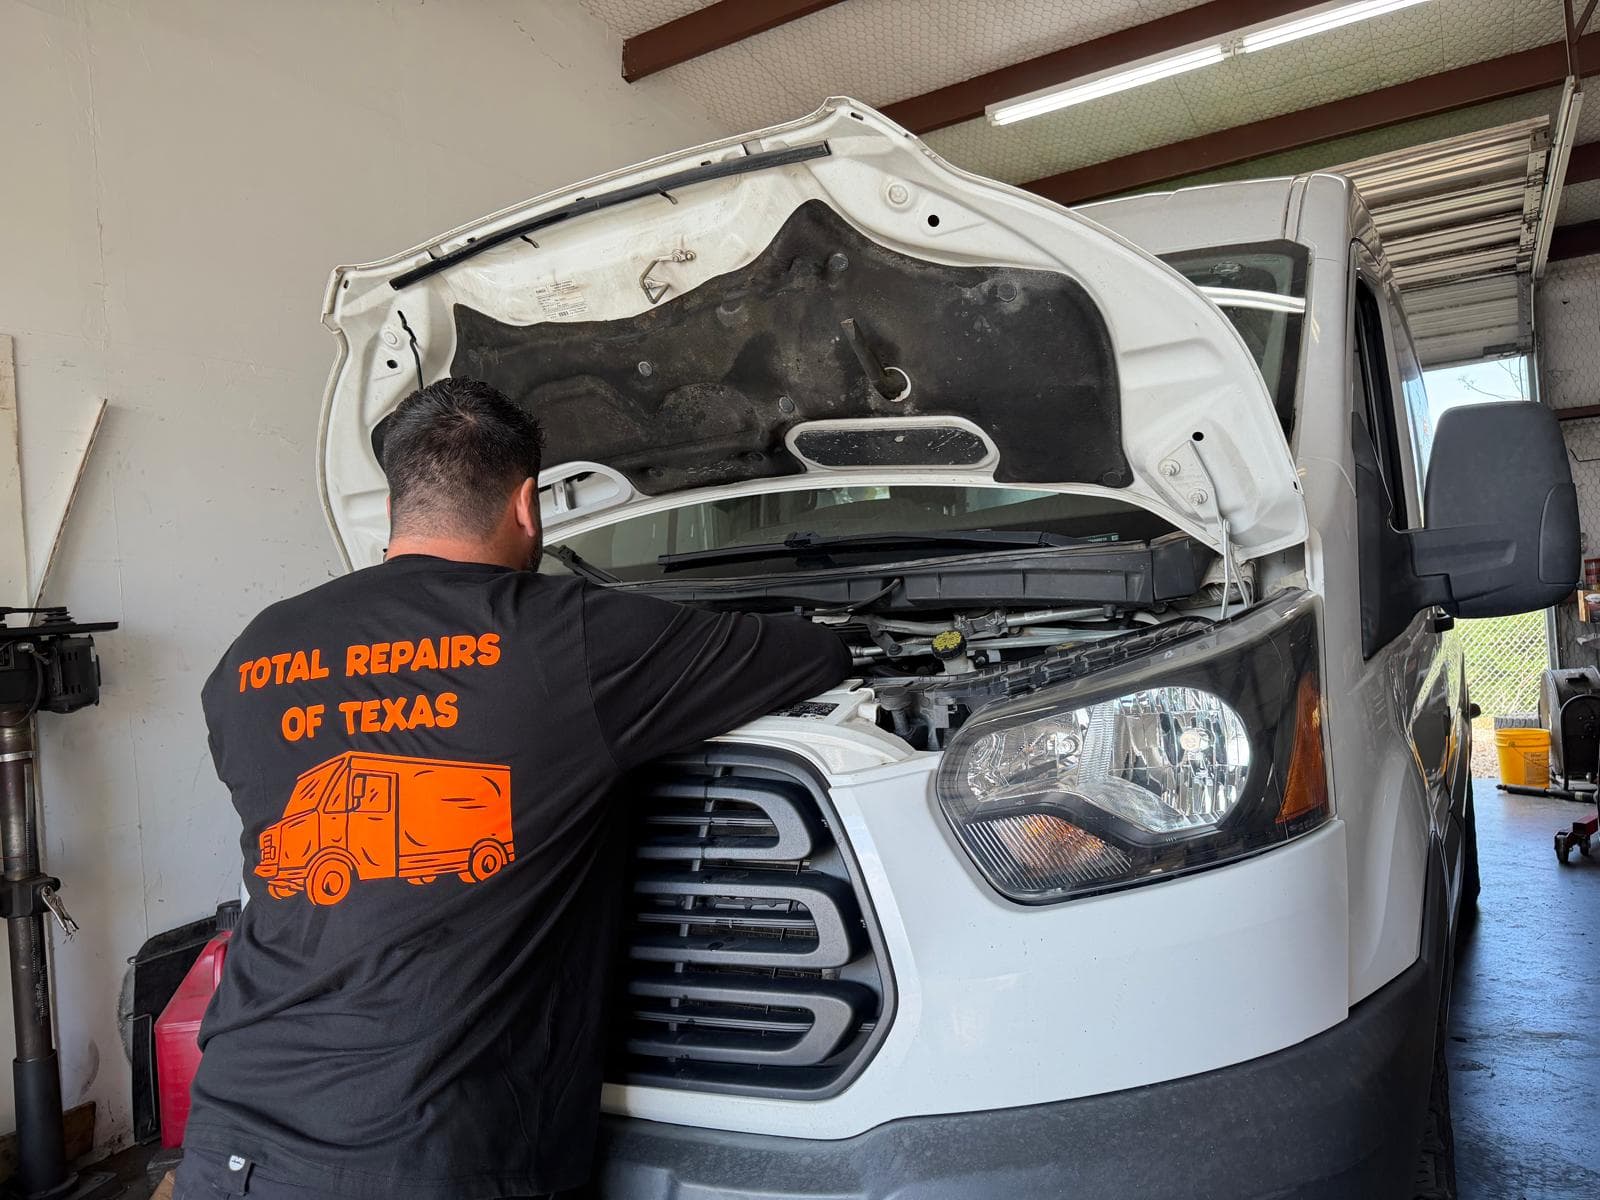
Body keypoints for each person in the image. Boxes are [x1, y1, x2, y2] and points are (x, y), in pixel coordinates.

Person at [175, 378, 852, 1200]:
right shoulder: (568, 634)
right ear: (528, 504)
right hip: (430, 1155)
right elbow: (812, 657)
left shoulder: (256, 650)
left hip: (230, 1135)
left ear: (396, 501)